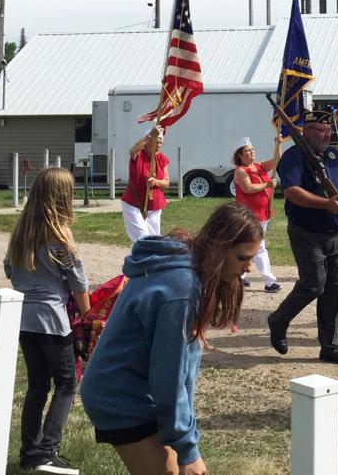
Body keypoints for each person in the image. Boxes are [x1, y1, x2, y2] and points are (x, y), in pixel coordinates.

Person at [81, 203, 261, 475]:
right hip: (117, 395)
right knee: (168, 471)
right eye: (242, 258)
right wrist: (188, 450)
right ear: (219, 249)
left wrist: (184, 434)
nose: (248, 268)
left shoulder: (188, 267)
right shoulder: (181, 290)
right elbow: (170, 376)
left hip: (136, 389)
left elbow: (182, 373)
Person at [4, 167, 91, 474]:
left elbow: (9, 269)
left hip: (23, 318)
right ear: (62, 197)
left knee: (37, 386)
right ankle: (47, 449)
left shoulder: (22, 230)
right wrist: (87, 316)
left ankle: (29, 451)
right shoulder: (61, 235)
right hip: (52, 319)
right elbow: (78, 281)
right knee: (67, 383)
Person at [267, 110, 338, 365]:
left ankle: (330, 346)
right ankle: (279, 319)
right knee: (314, 283)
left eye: (327, 130)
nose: (325, 134)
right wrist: (326, 204)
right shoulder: (294, 156)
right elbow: (293, 192)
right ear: (305, 130)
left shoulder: (334, 155)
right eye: (318, 129)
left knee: (334, 289)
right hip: (306, 230)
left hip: (334, 230)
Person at [232, 135, 283, 292]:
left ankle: (238, 277)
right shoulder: (241, 171)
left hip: (262, 214)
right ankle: (269, 281)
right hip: (249, 215)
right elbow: (248, 188)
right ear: (240, 155)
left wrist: (277, 144)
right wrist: (266, 184)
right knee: (259, 246)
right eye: (247, 151)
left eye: (252, 149)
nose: (251, 152)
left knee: (248, 245)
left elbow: (276, 160)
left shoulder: (259, 166)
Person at [120, 127, 170, 242]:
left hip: (154, 204)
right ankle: (139, 258)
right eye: (156, 142)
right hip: (134, 202)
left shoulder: (162, 158)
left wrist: (155, 181)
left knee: (153, 239)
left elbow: (166, 183)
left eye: (160, 142)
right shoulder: (138, 155)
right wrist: (149, 136)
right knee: (142, 238)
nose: (159, 145)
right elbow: (132, 151)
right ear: (148, 143)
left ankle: (148, 259)